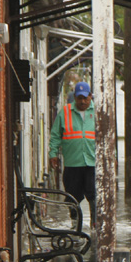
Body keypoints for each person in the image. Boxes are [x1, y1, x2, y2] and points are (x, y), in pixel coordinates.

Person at [49, 81, 96, 228]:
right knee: (72, 197)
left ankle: (95, 225)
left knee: (94, 195)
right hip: (72, 163)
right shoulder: (65, 112)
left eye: (85, 98)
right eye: (79, 98)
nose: (82, 101)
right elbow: (56, 135)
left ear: (90, 96)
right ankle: (75, 226)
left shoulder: (98, 112)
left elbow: (107, 137)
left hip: (92, 162)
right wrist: (53, 153)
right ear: (75, 97)